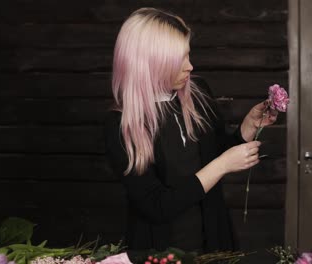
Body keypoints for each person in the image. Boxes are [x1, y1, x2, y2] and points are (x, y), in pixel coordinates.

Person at [104, 7, 277, 255]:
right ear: (151, 64)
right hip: (160, 255)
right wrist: (223, 165)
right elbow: (157, 206)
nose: (190, 67)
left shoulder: (198, 93)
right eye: (179, 60)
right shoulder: (121, 125)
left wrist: (248, 127)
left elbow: (217, 153)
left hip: (214, 245)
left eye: (188, 55)